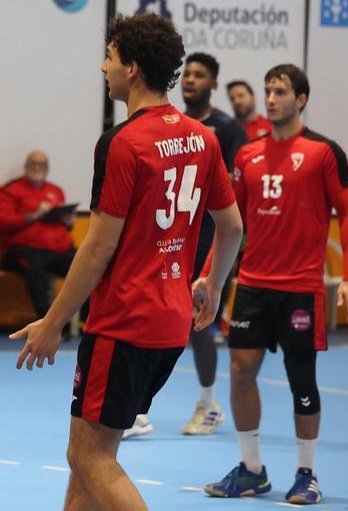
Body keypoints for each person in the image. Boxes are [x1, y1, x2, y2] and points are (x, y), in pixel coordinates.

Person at [12, 13, 242, 511]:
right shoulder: (203, 139)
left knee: (87, 455)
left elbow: (97, 248)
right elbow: (232, 226)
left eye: (110, 58)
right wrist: (213, 283)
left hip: (123, 321)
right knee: (93, 456)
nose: (103, 67)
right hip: (171, 322)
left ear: (132, 68)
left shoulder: (122, 143)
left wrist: (53, 323)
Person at [204, 64, 348, 505]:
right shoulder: (247, 156)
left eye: (281, 91)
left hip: (301, 287)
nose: (271, 98)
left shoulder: (323, 152)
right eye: (267, 90)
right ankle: (252, 469)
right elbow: (230, 224)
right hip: (254, 284)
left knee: (301, 379)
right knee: (239, 372)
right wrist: (208, 274)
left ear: (301, 99)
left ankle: (307, 473)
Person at [125, 52, 247, 439]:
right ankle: (137, 409)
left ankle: (208, 404)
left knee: (197, 325)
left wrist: (217, 264)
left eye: (201, 75)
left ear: (213, 83)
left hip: (208, 243)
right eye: (188, 73)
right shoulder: (173, 125)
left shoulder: (223, 132)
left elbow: (232, 200)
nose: (192, 79)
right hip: (170, 240)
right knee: (154, 318)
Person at [0, 150, 76, 321]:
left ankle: (86, 318)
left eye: (42, 165)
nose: (37, 168)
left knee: (87, 263)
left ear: (47, 169)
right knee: (34, 267)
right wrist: (34, 215)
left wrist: (68, 221)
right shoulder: (8, 191)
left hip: (57, 250)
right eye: (33, 164)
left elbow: (65, 226)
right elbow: (2, 223)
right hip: (23, 250)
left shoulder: (56, 191)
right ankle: (47, 322)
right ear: (25, 167)